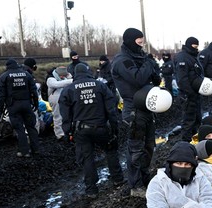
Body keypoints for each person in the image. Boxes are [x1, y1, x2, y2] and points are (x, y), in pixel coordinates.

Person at [59, 63, 124, 197]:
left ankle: (91, 190)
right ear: (89, 72)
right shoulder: (100, 86)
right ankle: (117, 179)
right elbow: (111, 109)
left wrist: (68, 132)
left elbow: (65, 114)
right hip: (101, 127)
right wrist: (114, 128)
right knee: (110, 150)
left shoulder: (69, 89)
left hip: (81, 130)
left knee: (87, 158)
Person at [112, 27, 160, 196]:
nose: (141, 43)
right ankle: (136, 185)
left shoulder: (139, 57)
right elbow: (138, 79)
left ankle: (146, 179)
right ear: (131, 40)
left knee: (148, 146)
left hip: (147, 107)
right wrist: (147, 63)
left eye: (142, 40)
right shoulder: (122, 60)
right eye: (138, 40)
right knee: (136, 149)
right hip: (134, 109)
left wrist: (153, 66)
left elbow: (155, 79)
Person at [0, 58, 41, 157]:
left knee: (19, 129)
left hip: (13, 106)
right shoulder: (26, 74)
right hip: (27, 104)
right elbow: (34, 91)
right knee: (31, 127)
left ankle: (24, 152)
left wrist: (0, 108)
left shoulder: (4, 76)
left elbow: (0, 95)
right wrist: (35, 104)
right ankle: (36, 149)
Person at [175, 37, 205, 142]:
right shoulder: (182, 57)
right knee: (188, 121)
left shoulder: (193, 56)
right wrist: (190, 92)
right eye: (194, 46)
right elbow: (182, 79)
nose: (196, 48)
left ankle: (194, 142)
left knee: (197, 120)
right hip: (187, 95)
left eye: (197, 46)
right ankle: (186, 145)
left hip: (195, 94)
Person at [47, 66, 74, 140]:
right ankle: (59, 135)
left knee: (67, 116)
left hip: (64, 99)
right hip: (55, 99)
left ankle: (67, 132)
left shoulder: (64, 78)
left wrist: (69, 76)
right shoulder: (50, 79)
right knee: (57, 117)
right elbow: (57, 84)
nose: (63, 77)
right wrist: (72, 80)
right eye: (62, 75)